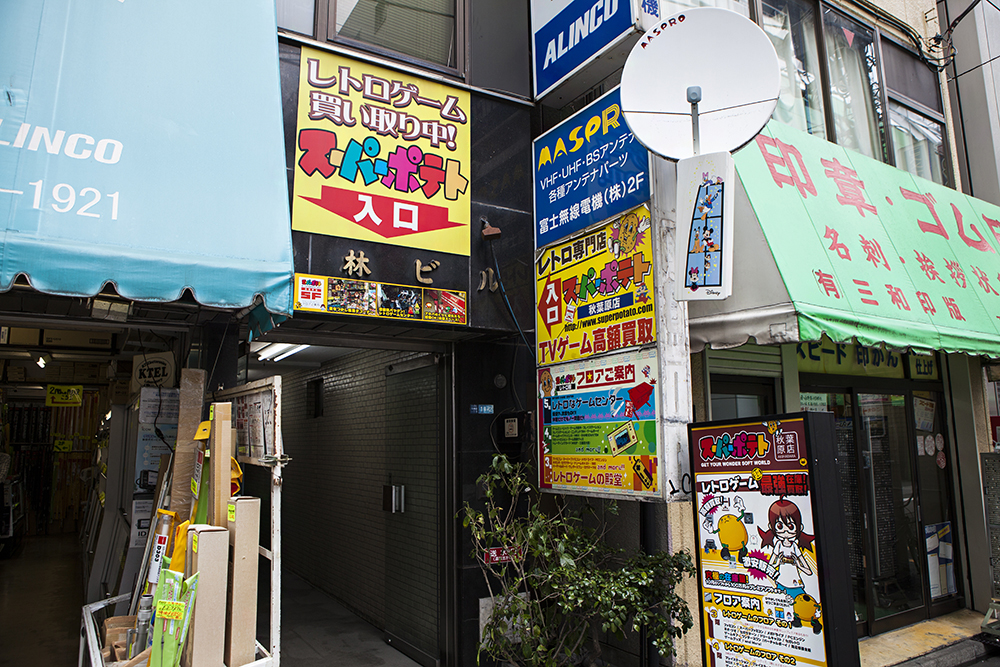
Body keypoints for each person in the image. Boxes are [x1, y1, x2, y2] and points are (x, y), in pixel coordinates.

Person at [758, 498, 815, 601]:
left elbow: (809, 572)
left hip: (796, 585)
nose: (785, 531)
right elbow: (768, 569)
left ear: (800, 527)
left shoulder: (794, 546)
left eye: (790, 526)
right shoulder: (779, 545)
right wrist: (777, 563)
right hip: (781, 584)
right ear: (771, 527)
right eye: (780, 526)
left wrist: (798, 565)